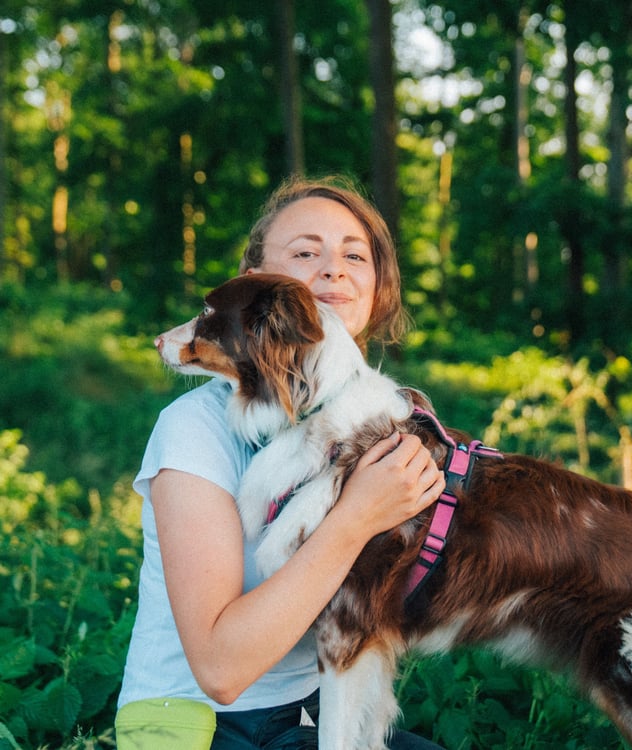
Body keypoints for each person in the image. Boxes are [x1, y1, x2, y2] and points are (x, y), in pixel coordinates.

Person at [116, 175, 447, 750]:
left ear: (378, 288)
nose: (333, 269)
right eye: (303, 252)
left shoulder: (383, 421)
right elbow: (220, 671)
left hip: (311, 714)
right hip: (198, 721)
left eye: (353, 255)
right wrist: (357, 517)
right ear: (250, 290)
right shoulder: (194, 429)